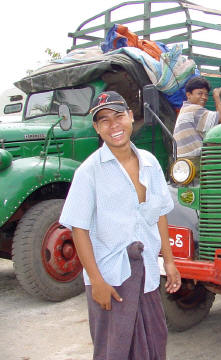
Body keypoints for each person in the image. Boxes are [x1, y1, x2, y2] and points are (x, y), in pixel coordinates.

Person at [59, 91, 181, 360]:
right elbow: (79, 230)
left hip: (147, 273)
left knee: (154, 344)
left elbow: (160, 214)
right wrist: (97, 281)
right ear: (96, 128)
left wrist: (169, 262)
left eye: (118, 116)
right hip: (111, 279)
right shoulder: (89, 172)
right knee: (113, 350)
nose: (113, 125)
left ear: (130, 117)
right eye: (104, 120)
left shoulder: (150, 163)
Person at [173, 77, 221, 163]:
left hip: (183, 161)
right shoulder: (194, 109)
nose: (204, 97)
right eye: (200, 93)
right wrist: (216, 96)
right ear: (188, 95)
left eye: (206, 94)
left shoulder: (184, 109)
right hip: (193, 160)